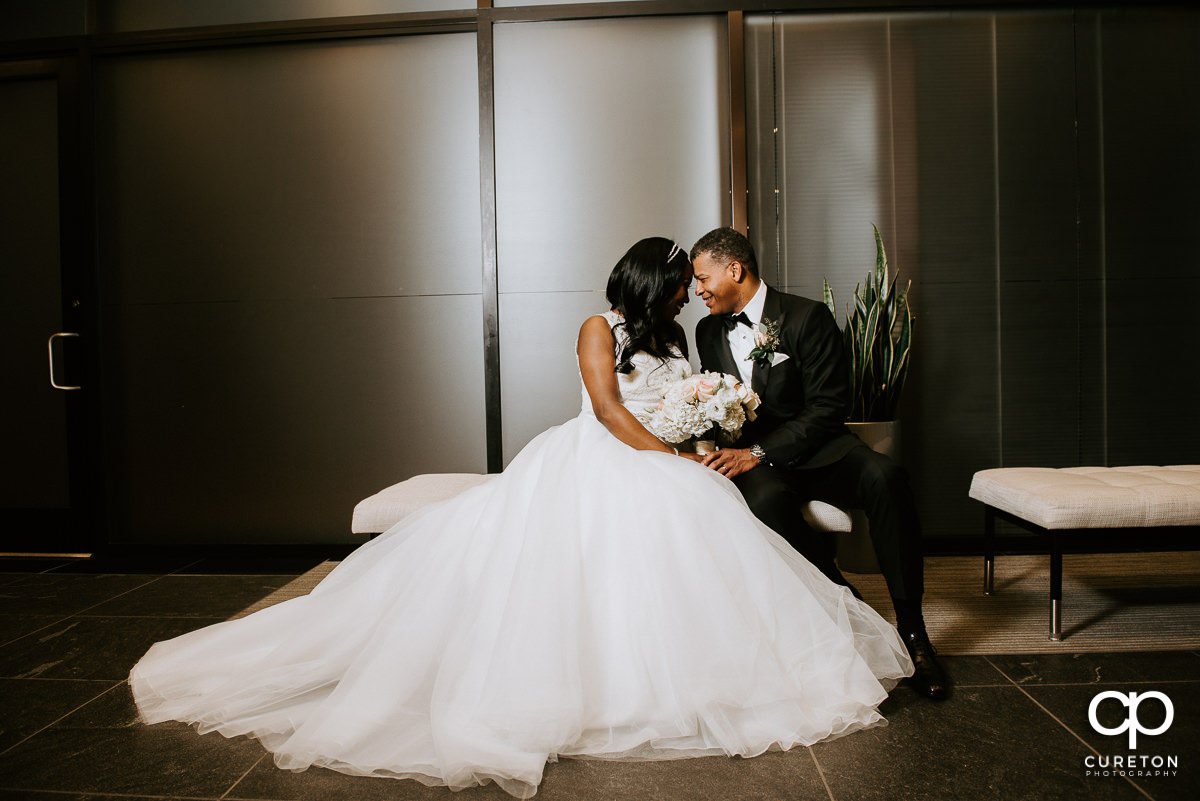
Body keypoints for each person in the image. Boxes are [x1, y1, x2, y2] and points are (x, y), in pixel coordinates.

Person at [128, 237, 912, 800]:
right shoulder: (597, 329)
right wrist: (673, 458)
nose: (686, 297)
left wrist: (703, 423)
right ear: (651, 284)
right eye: (678, 286)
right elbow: (608, 411)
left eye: (691, 288)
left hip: (661, 457)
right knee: (615, 549)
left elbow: (678, 406)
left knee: (702, 532)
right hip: (600, 457)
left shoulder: (676, 337)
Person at [689, 227, 950, 701]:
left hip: (820, 449)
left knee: (887, 478)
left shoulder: (808, 316)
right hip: (759, 465)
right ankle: (843, 597)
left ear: (735, 269)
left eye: (703, 279)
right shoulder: (707, 331)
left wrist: (759, 452)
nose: (698, 291)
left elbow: (829, 407)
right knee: (765, 502)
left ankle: (915, 635)